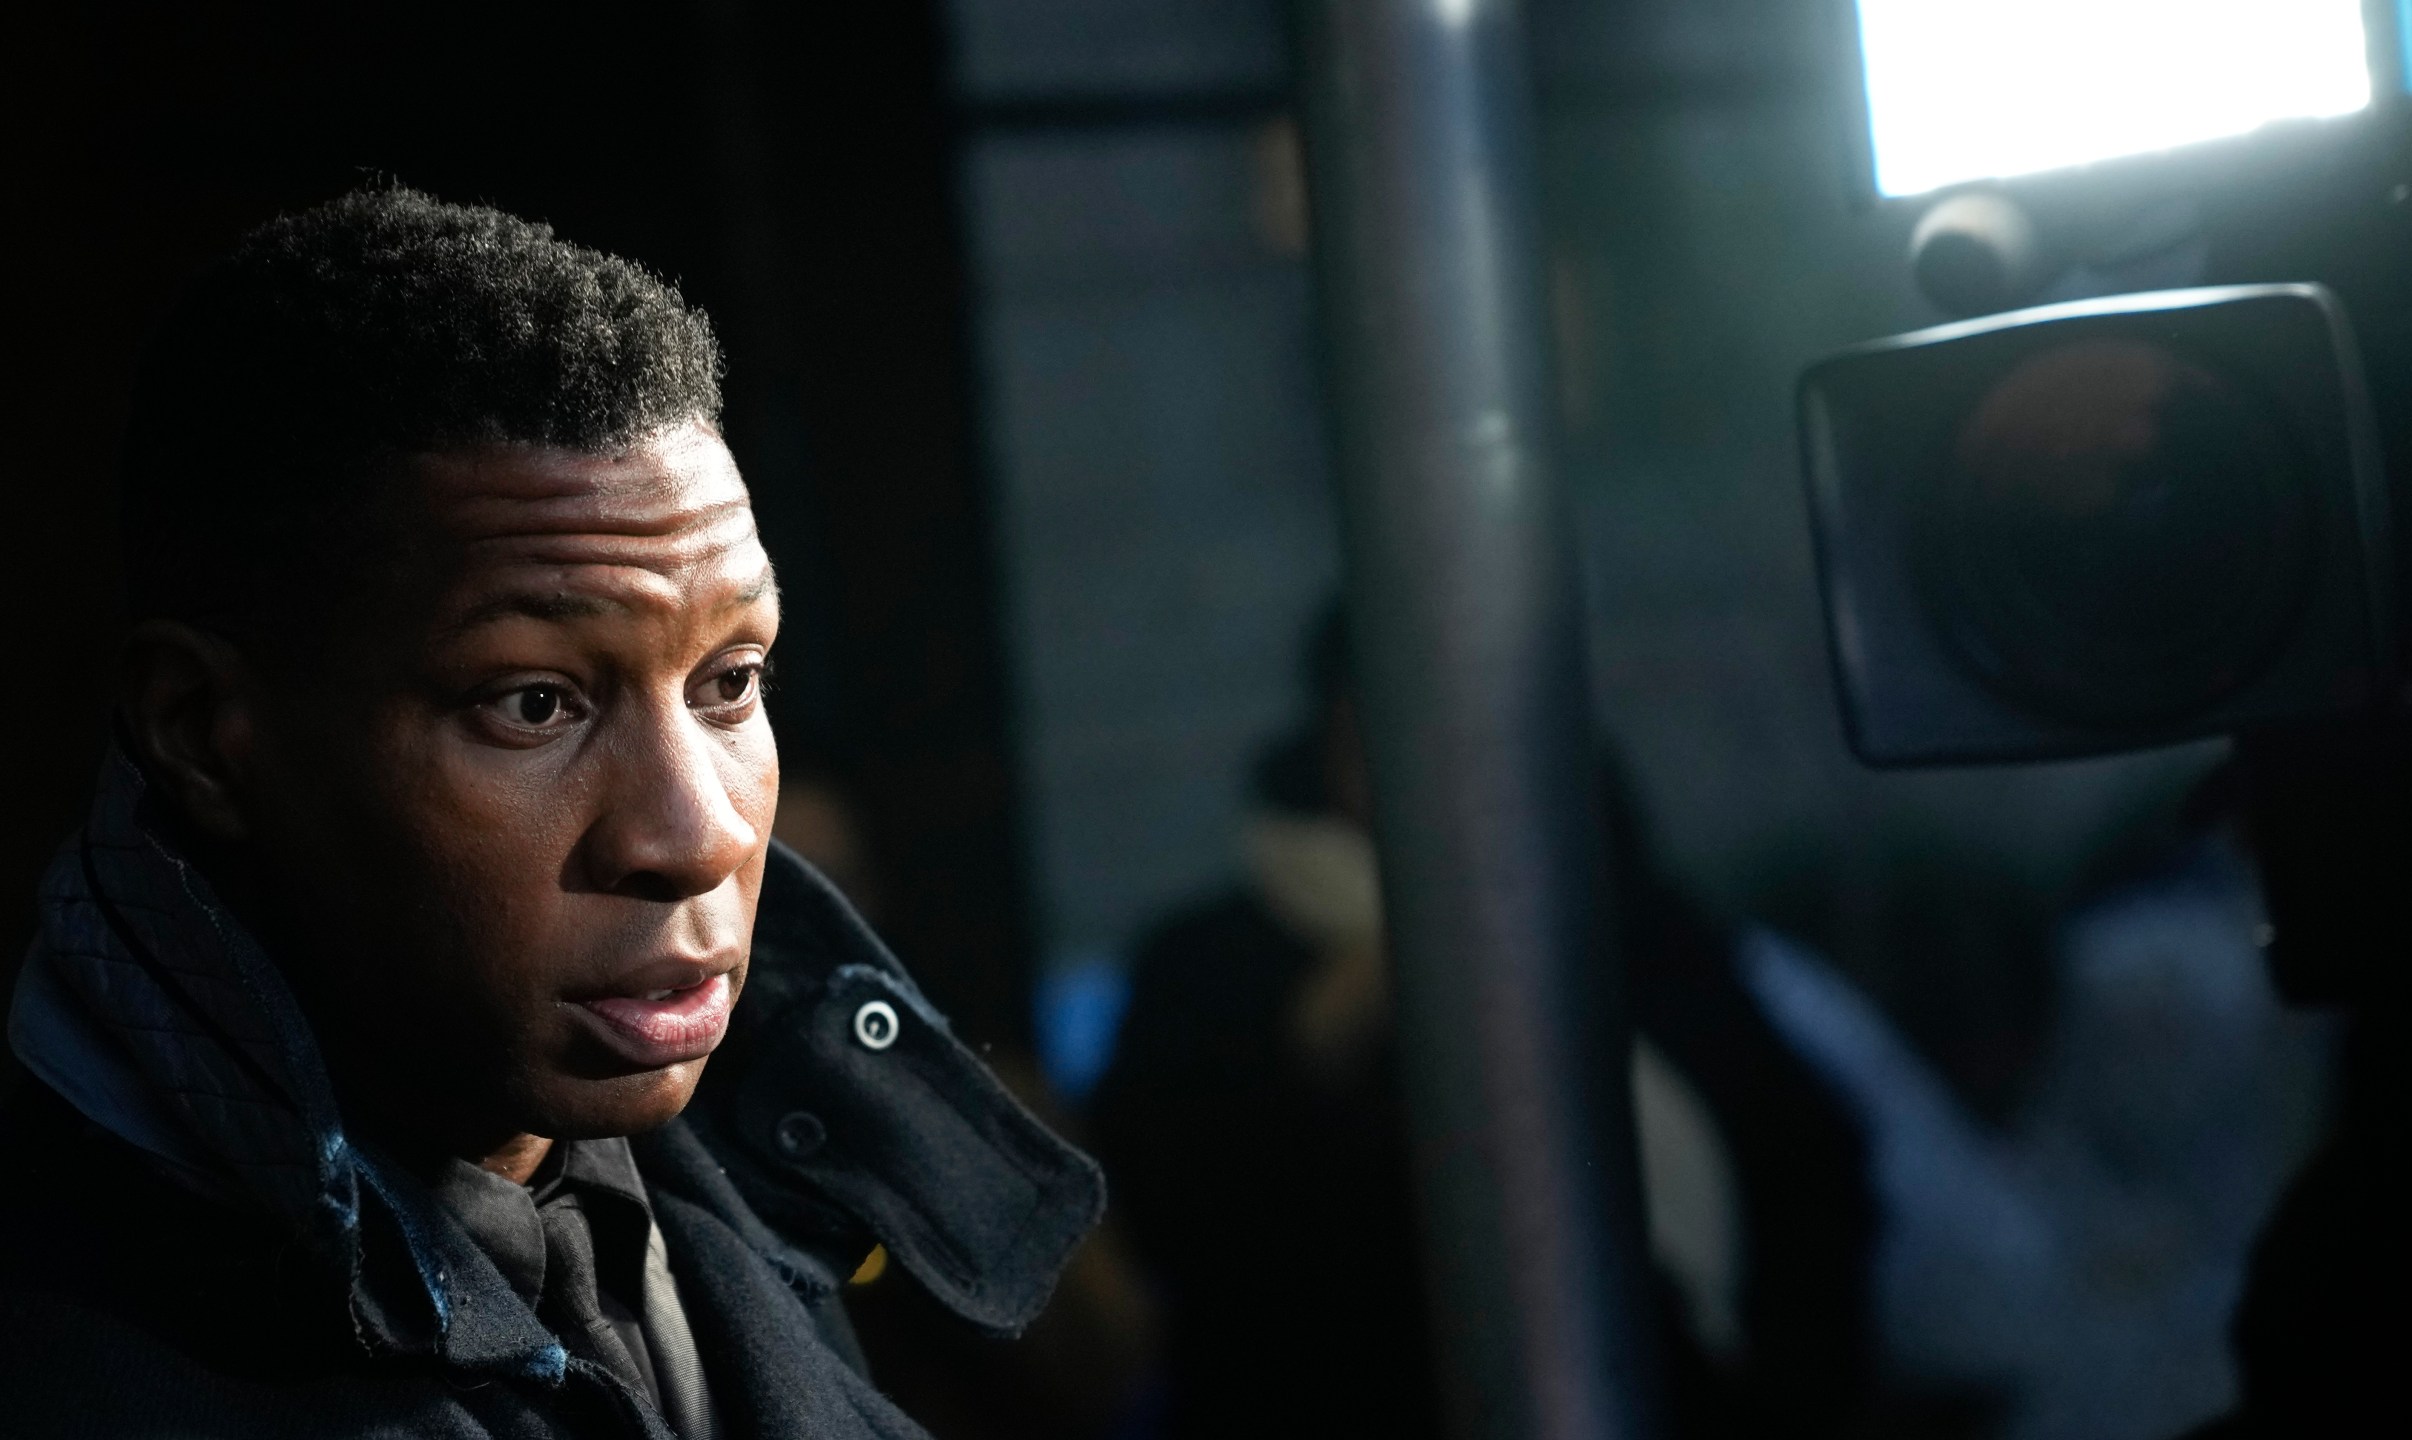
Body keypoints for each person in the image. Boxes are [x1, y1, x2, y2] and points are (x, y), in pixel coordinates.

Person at [0, 188, 1102, 1439]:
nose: (696, 837)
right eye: (533, 703)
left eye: (730, 682)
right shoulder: (81, 1366)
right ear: (206, 734)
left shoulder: (758, 1203)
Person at [1089, 605, 1879, 1439]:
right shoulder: (1217, 961)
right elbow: (1167, 1198)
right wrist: (1337, 1016)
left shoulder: (1635, 924)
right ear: (1335, 736)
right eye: (1388, 723)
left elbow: (1803, 1167)